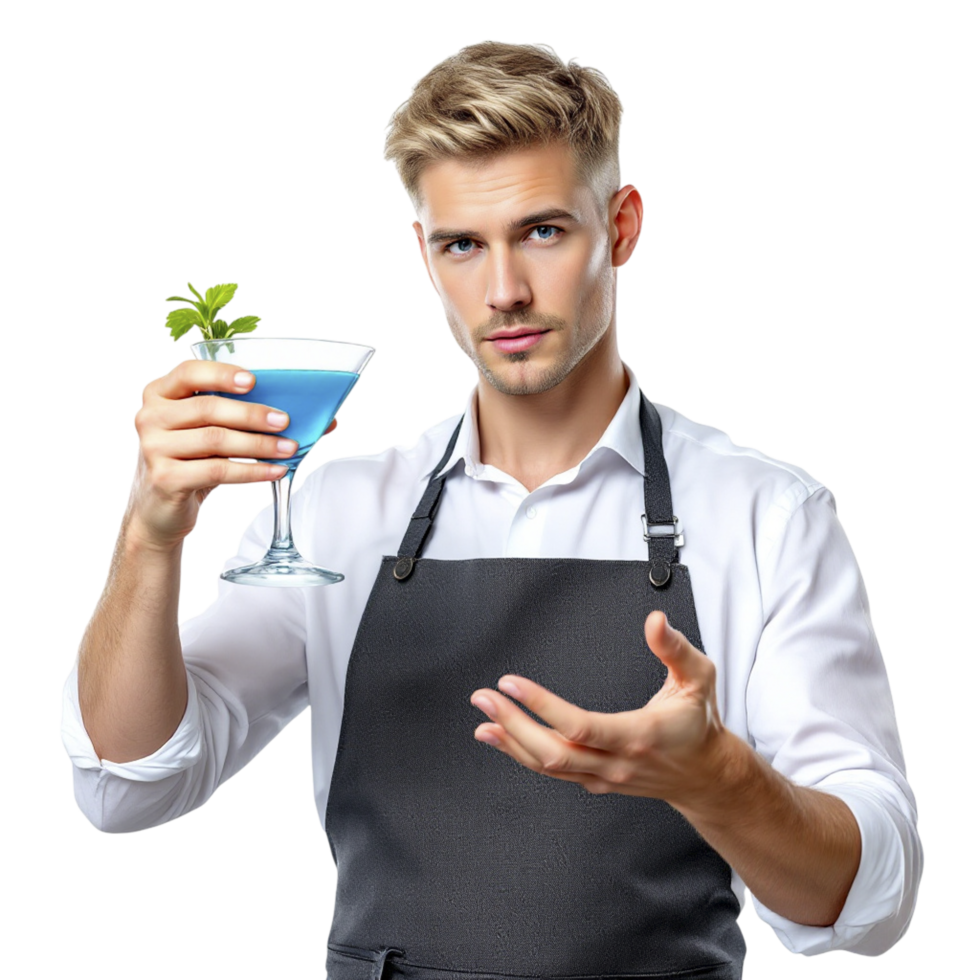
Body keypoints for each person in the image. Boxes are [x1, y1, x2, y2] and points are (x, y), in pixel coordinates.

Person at [60, 40, 923, 979]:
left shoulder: (764, 515)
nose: (504, 289)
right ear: (426, 263)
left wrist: (722, 782)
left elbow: (864, 900)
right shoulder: (340, 513)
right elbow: (130, 779)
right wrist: (148, 533)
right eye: (462, 244)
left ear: (623, 231)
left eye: (544, 231)